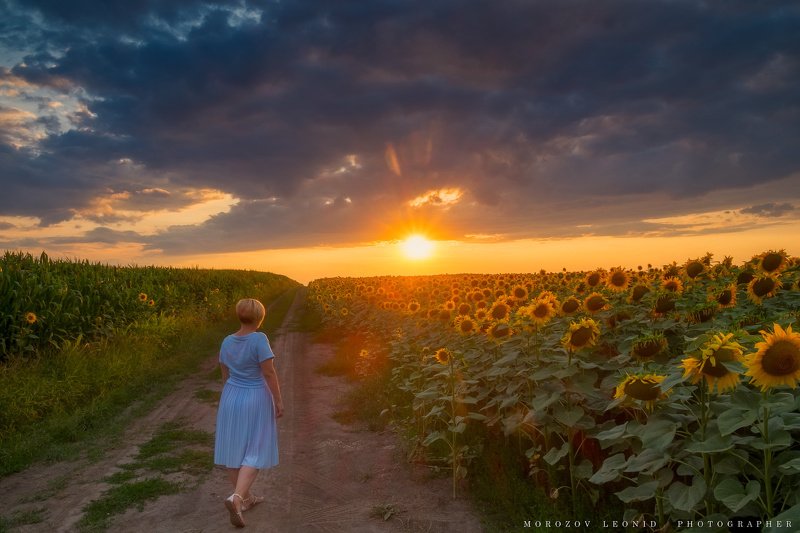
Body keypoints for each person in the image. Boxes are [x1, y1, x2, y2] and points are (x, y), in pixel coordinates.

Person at [214, 298, 284, 528]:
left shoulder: (226, 341)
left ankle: (246, 498)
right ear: (259, 317)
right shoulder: (259, 339)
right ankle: (236, 498)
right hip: (255, 396)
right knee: (256, 448)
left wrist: (229, 395)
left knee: (235, 449)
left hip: (231, 395)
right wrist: (278, 401)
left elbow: (224, 374)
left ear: (239, 316)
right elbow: (269, 373)